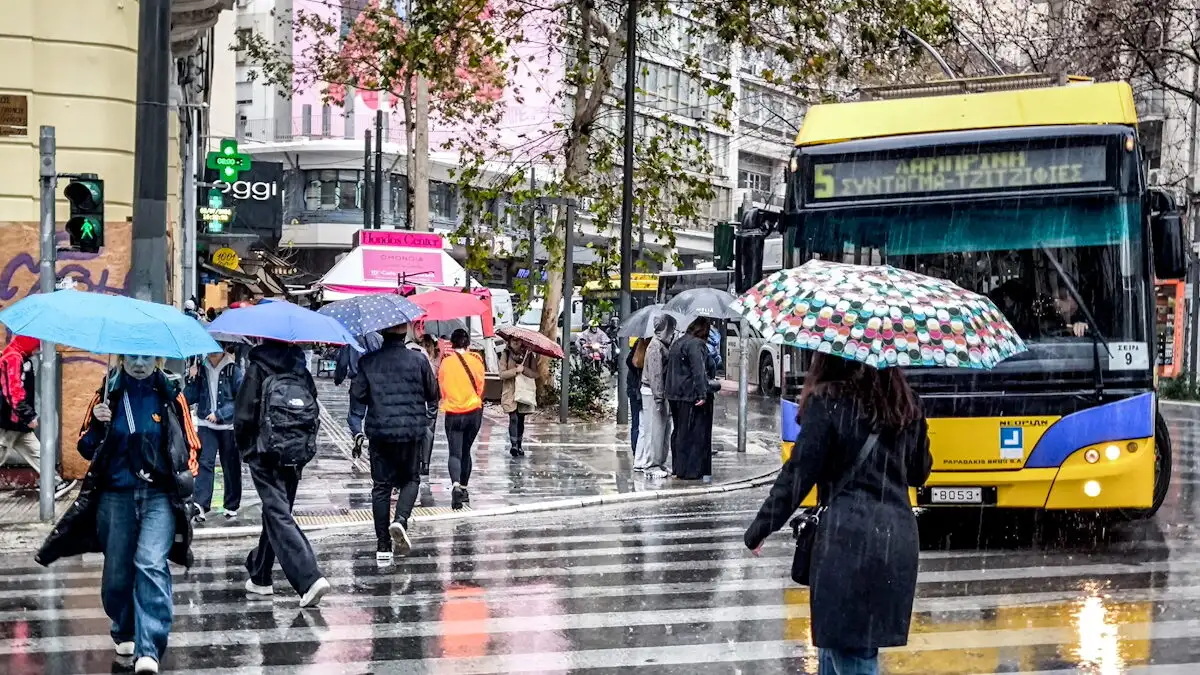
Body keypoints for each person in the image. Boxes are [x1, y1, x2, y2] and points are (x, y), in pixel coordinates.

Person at [743, 353, 932, 675]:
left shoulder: (828, 402)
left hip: (847, 540)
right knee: (843, 650)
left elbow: (798, 474)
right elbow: (918, 473)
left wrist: (761, 527)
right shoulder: (905, 403)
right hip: (894, 538)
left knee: (850, 651)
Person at [36, 354, 200, 675]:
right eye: (133, 357)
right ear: (122, 359)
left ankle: (149, 648)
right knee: (117, 573)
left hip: (158, 497)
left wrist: (184, 479)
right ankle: (123, 627)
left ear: (157, 360)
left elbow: (191, 445)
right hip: (116, 496)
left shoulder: (170, 395)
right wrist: (98, 423)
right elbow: (84, 448)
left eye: (147, 357)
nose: (139, 364)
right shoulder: (107, 393)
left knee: (151, 563)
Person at [234, 339, 330, 607]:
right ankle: (260, 574)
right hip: (295, 451)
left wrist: (246, 450)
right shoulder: (300, 366)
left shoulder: (257, 367)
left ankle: (309, 577)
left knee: (277, 512)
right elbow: (312, 403)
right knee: (277, 513)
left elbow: (243, 416)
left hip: (264, 451)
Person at [349, 323, 439, 563]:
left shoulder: (367, 362)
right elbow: (433, 394)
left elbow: (357, 400)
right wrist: (425, 421)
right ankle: (400, 520)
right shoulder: (418, 361)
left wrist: (356, 431)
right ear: (404, 332)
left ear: (382, 331)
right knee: (411, 479)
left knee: (381, 487)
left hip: (380, 433)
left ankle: (383, 547)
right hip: (411, 432)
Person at [0, 335, 75, 499]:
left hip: (17, 424)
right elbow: (12, 392)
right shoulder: (12, 357)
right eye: (36, 344)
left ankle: (55, 483)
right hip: (8, 422)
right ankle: (55, 483)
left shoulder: (21, 357)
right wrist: (28, 416)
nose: (37, 348)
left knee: (39, 453)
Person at [185, 343, 244, 522]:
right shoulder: (202, 368)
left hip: (228, 427)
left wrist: (220, 414)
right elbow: (189, 397)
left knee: (231, 465)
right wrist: (191, 379)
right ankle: (200, 505)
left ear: (225, 349)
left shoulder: (234, 370)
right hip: (205, 425)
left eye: (216, 347)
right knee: (205, 463)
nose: (212, 351)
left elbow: (241, 399)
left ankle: (231, 504)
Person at [438, 329, 485, 511]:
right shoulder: (477, 361)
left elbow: (442, 388)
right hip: (473, 411)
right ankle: (464, 490)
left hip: (453, 412)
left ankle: (456, 485)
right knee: (466, 451)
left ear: (452, 343)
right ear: (468, 344)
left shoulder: (446, 364)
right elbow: (480, 388)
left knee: (454, 453)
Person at [665, 317, 716, 481]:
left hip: (674, 394)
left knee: (679, 431)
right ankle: (691, 470)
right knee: (692, 433)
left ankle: (678, 468)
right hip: (689, 395)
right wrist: (702, 394)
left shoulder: (678, 342)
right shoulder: (696, 344)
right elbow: (698, 370)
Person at [634, 315, 675, 477]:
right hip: (653, 393)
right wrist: (659, 397)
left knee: (662, 430)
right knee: (654, 430)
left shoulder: (662, 344)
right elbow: (655, 374)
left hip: (659, 393)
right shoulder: (655, 347)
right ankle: (652, 465)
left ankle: (659, 462)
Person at [499, 338, 538, 457]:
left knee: (521, 418)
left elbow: (536, 374)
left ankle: (519, 444)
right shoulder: (505, 354)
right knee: (513, 417)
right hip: (510, 391)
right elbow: (502, 374)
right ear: (509, 342)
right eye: (513, 340)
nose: (515, 342)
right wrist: (515, 370)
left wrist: (524, 369)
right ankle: (514, 445)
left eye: (518, 340)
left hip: (524, 391)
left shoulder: (529, 355)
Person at [626, 338, 647, 451]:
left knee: (636, 423)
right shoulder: (647, 346)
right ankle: (638, 451)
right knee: (640, 424)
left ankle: (636, 451)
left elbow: (629, 362)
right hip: (638, 390)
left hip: (634, 390)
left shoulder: (638, 344)